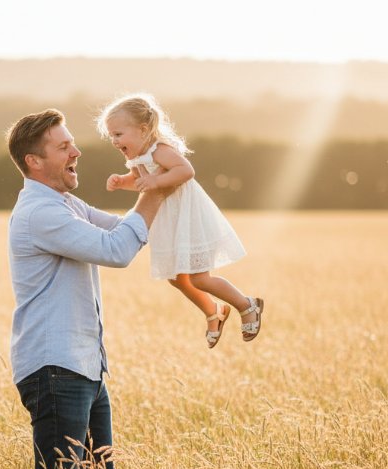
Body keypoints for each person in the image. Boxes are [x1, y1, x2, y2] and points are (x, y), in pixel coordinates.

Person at [6, 108, 172, 469]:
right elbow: (117, 249)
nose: (76, 152)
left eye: (72, 144)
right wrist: (156, 189)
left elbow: (124, 227)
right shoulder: (40, 213)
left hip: (84, 367)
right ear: (34, 161)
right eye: (64, 147)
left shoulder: (66, 204)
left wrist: (168, 192)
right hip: (56, 369)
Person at [98, 93, 264, 348]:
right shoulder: (136, 157)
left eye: (118, 134)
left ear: (143, 130)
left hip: (188, 217)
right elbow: (140, 180)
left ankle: (246, 304)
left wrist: (155, 181)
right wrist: (123, 182)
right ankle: (213, 312)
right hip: (171, 221)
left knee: (199, 277)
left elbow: (186, 170)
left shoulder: (159, 150)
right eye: (111, 135)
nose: (114, 141)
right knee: (176, 278)